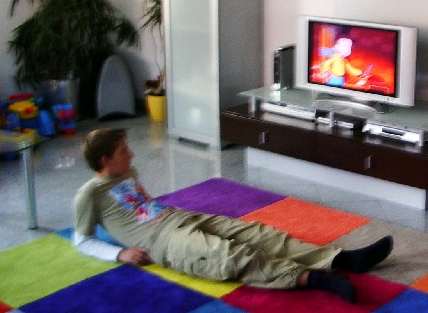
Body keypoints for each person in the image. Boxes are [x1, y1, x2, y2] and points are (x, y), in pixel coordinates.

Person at [73, 128, 393, 303]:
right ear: (104, 161)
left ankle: (342, 260)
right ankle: (316, 279)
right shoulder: (89, 194)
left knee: (259, 235)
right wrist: (119, 253)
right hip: (162, 242)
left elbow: (141, 206)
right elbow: (82, 239)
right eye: (123, 151)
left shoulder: (128, 172)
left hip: (180, 217)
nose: (131, 154)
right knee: (231, 255)